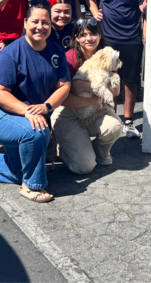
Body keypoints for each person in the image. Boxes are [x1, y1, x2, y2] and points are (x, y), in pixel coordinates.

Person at [0, 2, 71, 203]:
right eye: (35, 22)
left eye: (45, 22)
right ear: (25, 23)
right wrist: (27, 111)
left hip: (32, 115)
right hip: (6, 114)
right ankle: (32, 186)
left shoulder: (56, 51)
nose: (40, 27)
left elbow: (64, 85)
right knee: (36, 132)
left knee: (16, 172)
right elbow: (1, 93)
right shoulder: (10, 53)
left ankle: (23, 174)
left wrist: (47, 106)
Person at [85, 0, 147, 139]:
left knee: (130, 80)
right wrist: (94, 10)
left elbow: (141, 4)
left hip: (132, 36)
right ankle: (108, 116)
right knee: (106, 78)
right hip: (107, 36)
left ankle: (128, 121)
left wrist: (148, 6)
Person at [51, 18, 122, 174]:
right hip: (69, 111)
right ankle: (67, 148)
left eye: (92, 34)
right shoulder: (69, 58)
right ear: (76, 37)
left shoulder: (106, 54)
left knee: (114, 127)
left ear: (100, 35)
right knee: (84, 167)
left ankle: (100, 151)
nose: (88, 38)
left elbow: (115, 92)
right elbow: (65, 98)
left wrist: (87, 87)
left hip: (96, 107)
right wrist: (96, 94)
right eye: (83, 35)